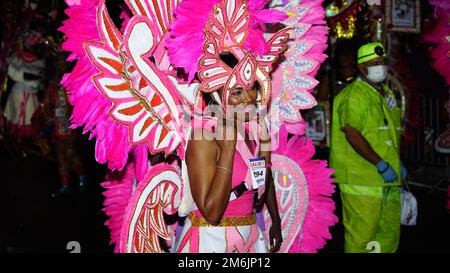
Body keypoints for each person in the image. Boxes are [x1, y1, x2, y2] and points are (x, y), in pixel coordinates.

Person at [330, 42, 406, 253]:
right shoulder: (355, 95)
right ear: (362, 68)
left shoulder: (385, 93)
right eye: (374, 64)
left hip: (388, 177)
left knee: (388, 231)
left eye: (382, 63)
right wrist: (381, 164)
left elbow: (388, 132)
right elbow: (352, 134)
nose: (380, 67)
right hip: (361, 178)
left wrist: (396, 163)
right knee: (361, 235)